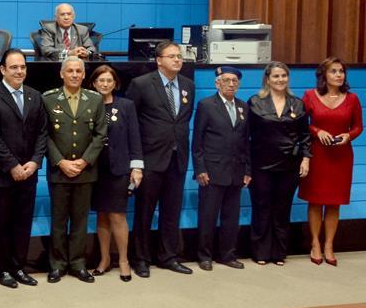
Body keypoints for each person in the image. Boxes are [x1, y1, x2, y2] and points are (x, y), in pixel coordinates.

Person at [125, 40, 195, 277]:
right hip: (150, 158)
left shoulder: (188, 85)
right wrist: (136, 161)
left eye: (179, 56)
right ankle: (140, 258)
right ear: (159, 60)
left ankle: (168, 256)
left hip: (177, 158)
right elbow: (131, 124)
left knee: (171, 211)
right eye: (172, 56)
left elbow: (182, 121)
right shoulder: (141, 84)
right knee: (144, 212)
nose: (178, 60)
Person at [0, 49, 48, 289]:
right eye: (14, 67)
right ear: (3, 70)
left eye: (23, 67)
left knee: (22, 223)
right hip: (1, 174)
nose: (19, 71)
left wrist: (35, 161)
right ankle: (0, 268)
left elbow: (42, 132)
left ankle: (18, 266)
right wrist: (12, 166)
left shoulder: (34, 96)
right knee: (1, 223)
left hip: (29, 172)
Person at [42, 56, 107, 283]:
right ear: (62, 74)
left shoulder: (95, 99)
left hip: (85, 171)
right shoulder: (48, 99)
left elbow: (100, 134)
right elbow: (45, 135)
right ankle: (57, 264)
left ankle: (78, 264)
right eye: (70, 71)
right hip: (59, 170)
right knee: (58, 221)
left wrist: (85, 161)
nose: (74, 75)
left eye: (78, 71)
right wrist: (61, 162)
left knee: (80, 221)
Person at [300, 57, 363, 266]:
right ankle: (315, 243)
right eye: (334, 71)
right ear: (324, 75)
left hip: (342, 156)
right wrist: (317, 131)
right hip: (318, 155)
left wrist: (349, 136)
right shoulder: (310, 96)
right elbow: (301, 125)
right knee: (316, 200)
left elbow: (358, 127)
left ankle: (329, 245)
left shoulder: (352, 98)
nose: (338, 75)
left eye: (341, 71)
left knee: (335, 202)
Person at [247, 62, 311, 265]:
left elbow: (305, 135)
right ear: (267, 79)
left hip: (289, 165)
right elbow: (246, 136)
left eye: (284, 76)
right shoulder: (255, 102)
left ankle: (279, 253)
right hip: (261, 165)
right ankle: (261, 252)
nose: (280, 79)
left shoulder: (297, 103)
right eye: (276, 76)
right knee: (262, 207)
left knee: (282, 208)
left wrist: (306, 158)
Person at [192, 66, 252, 271]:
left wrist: (248, 170)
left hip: (236, 171)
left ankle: (227, 254)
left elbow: (246, 142)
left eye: (235, 80)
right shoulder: (206, 105)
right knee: (208, 216)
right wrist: (200, 169)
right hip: (212, 171)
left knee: (231, 217)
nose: (231, 84)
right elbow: (197, 141)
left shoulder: (244, 107)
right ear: (217, 83)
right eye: (226, 80)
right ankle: (205, 255)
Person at [89, 65, 143, 281]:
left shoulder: (126, 106)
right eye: (100, 80)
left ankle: (123, 260)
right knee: (101, 215)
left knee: (117, 215)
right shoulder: (88, 105)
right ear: (93, 83)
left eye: (108, 81)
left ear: (115, 83)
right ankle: (104, 259)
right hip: (94, 169)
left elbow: (135, 138)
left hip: (119, 169)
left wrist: (136, 167)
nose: (104, 84)